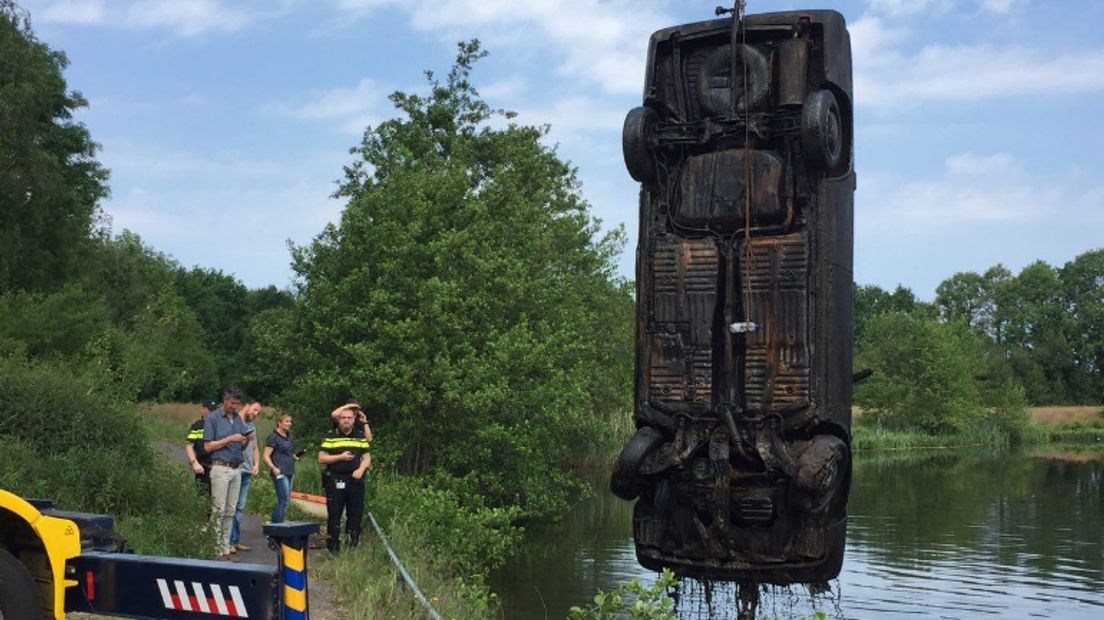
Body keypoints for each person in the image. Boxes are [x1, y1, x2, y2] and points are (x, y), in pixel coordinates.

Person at [203, 386, 251, 561]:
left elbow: (240, 445)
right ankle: (214, 548)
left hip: (236, 467)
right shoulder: (213, 419)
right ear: (224, 401)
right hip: (220, 467)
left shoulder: (238, 418)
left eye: (237, 403)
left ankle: (225, 548)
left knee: (230, 510)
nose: (235, 406)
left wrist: (245, 441)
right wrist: (229, 439)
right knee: (218, 510)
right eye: (232, 403)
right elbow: (208, 446)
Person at [318, 407, 371, 552]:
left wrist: (361, 470)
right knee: (334, 514)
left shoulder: (360, 436)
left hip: (355, 481)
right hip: (336, 480)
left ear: (354, 420)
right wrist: (339, 457)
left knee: (355, 514)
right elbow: (321, 457)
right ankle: (333, 547)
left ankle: (352, 545)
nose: (346, 420)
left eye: (349, 418)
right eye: (343, 418)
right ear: (338, 420)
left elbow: (367, 457)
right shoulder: (331, 436)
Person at [229, 400, 261, 553]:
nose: (255, 414)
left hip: (248, 470)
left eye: (258, 413)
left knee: (240, 507)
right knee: (231, 506)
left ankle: (235, 540)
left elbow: (255, 448)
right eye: (254, 410)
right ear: (247, 406)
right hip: (236, 468)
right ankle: (227, 541)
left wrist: (256, 465)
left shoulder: (252, 425)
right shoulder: (235, 422)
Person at [263, 412, 298, 524]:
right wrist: (273, 467)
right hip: (279, 471)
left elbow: (289, 452)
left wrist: (295, 457)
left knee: (286, 501)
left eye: (290, 421)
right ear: (279, 423)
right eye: (287, 421)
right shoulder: (273, 437)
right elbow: (266, 455)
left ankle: (280, 524)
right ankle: (275, 526)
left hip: (290, 470)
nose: (289, 424)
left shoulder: (289, 436)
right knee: (283, 500)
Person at [185, 400, 217, 493]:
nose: (212, 413)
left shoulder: (219, 425)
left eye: (214, 410)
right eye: (210, 410)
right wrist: (194, 463)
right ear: (203, 410)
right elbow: (189, 445)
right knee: (203, 499)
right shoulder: (198, 426)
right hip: (203, 467)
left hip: (218, 467)